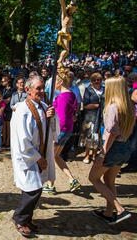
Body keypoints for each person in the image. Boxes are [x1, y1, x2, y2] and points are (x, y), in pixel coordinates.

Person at [10, 75, 56, 237]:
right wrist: (39, 158)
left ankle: (27, 218)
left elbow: (49, 126)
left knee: (36, 188)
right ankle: (19, 218)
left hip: (38, 153)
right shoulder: (22, 110)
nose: (42, 91)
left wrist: (51, 115)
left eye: (43, 88)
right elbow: (23, 139)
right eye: (38, 88)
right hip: (27, 156)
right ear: (27, 90)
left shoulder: (43, 106)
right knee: (33, 189)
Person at [89, 76, 134, 224]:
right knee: (109, 180)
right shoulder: (128, 105)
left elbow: (112, 133)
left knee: (93, 178)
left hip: (113, 148)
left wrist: (102, 153)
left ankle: (119, 209)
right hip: (125, 146)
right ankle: (108, 213)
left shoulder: (113, 107)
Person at [43, 71, 81, 195]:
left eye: (54, 82)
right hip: (68, 129)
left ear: (60, 81)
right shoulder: (71, 95)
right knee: (56, 157)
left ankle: (51, 185)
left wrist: (55, 137)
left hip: (61, 130)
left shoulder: (63, 97)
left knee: (50, 157)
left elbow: (62, 117)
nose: (52, 85)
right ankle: (71, 180)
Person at [79, 73, 105, 163]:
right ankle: (87, 154)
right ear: (91, 81)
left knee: (98, 136)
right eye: (94, 80)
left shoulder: (105, 90)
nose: (96, 82)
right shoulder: (88, 90)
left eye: (98, 80)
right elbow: (85, 105)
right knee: (89, 136)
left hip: (102, 117)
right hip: (90, 117)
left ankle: (94, 154)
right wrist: (97, 105)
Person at [1, 77, 16, 147]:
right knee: (4, 125)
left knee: (9, 126)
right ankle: (3, 140)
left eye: (4, 81)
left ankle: (8, 141)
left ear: (8, 81)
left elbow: (8, 100)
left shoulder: (13, 90)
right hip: (3, 109)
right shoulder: (4, 90)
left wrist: (1, 100)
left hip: (9, 109)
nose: (2, 82)